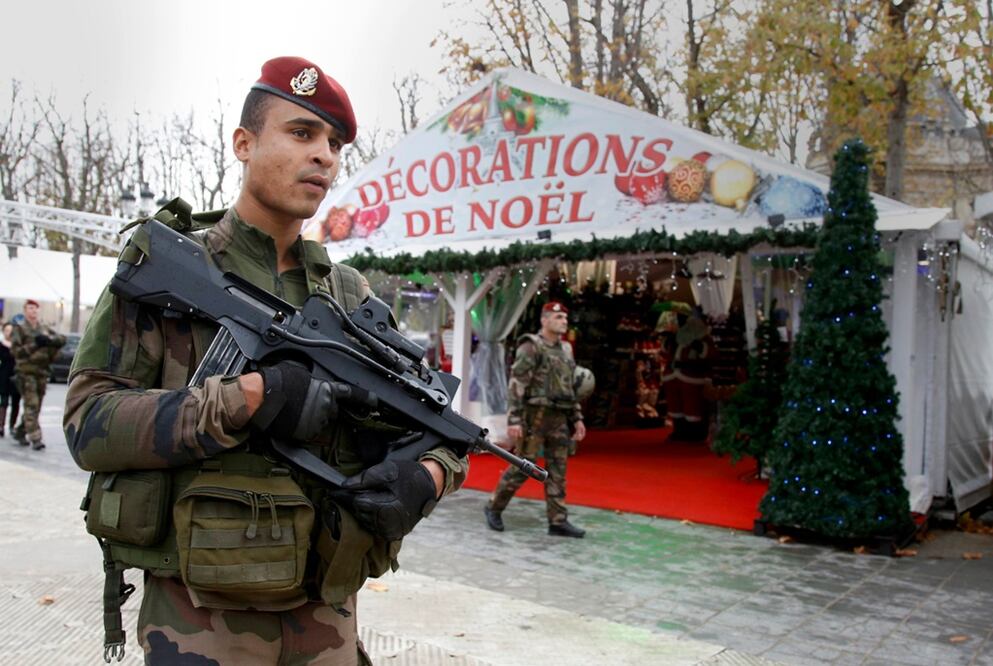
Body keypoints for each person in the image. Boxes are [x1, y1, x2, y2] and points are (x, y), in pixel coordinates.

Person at [64, 56, 467, 665]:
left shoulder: (349, 295)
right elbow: (88, 423)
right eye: (302, 133)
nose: (325, 156)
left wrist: (427, 477)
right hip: (200, 620)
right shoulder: (172, 266)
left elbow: (434, 426)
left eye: (335, 143)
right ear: (244, 143)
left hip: (326, 612)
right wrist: (250, 398)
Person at [484, 301, 587, 538]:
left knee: (558, 470)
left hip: (559, 419)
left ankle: (558, 520)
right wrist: (514, 420)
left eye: (565, 317)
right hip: (534, 418)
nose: (564, 321)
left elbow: (570, 387)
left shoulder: (566, 350)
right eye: (558, 317)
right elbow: (517, 384)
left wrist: (577, 419)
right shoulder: (531, 347)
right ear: (545, 320)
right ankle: (494, 507)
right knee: (522, 466)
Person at [10, 299, 65, 449]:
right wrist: (35, 344)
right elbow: (16, 351)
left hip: (42, 372)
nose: (33, 311)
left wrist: (50, 340)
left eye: (35, 308)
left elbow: (61, 339)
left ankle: (21, 430)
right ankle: (36, 438)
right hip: (26, 372)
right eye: (30, 308)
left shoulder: (44, 328)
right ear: (25, 310)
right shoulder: (20, 329)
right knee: (32, 404)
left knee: (36, 406)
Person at [0, 322, 21, 439]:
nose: (9, 333)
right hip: (3, 375)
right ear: (4, 332)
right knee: (3, 402)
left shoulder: (18, 346)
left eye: (11, 330)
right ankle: (1, 426)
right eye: (7, 330)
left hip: (16, 376)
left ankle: (12, 426)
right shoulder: (1, 345)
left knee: (15, 402)